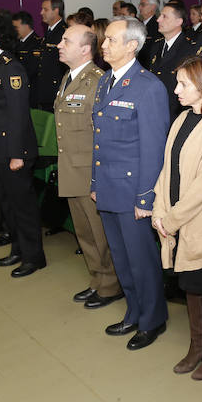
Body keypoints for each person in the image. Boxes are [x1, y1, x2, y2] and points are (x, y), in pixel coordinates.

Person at [91, 17, 170, 350]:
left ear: (132, 46)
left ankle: (152, 319)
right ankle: (133, 311)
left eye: (111, 40)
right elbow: (99, 140)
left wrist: (145, 198)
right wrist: (94, 182)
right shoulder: (105, 81)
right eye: (104, 39)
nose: (104, 45)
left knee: (141, 261)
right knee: (122, 259)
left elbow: (153, 148)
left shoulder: (148, 86)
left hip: (132, 190)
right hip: (108, 186)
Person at [152, 54, 202, 381]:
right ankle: (197, 346)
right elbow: (167, 168)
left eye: (183, 84)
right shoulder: (182, 118)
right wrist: (159, 209)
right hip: (174, 216)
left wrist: (171, 220)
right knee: (188, 284)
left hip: (198, 220)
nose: (176, 90)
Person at [0, 13, 47, 278]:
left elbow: (17, 116)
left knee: (22, 206)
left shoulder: (10, 68)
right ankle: (18, 248)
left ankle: (34, 257)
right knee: (6, 204)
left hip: (11, 151)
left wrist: (16, 154)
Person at [55, 24, 123, 309]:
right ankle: (98, 279)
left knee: (99, 234)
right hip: (71, 168)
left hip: (89, 172)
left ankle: (111, 285)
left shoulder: (97, 81)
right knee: (84, 233)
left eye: (66, 41)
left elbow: (103, 133)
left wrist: (100, 176)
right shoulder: (69, 77)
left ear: (85, 49)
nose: (59, 45)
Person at [147, 2, 199, 120]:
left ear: (178, 22)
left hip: (176, 111)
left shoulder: (189, 47)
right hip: (155, 108)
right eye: (160, 16)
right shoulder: (156, 45)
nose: (158, 20)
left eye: (164, 16)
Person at [35, 0, 69, 110]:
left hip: (56, 89)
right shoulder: (49, 32)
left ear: (56, 11)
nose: (41, 12)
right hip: (45, 90)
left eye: (45, 9)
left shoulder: (64, 33)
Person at [12, 10, 42, 91]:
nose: (14, 31)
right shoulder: (15, 43)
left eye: (16, 27)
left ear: (26, 26)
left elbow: (32, 70)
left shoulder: (37, 43)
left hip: (32, 87)